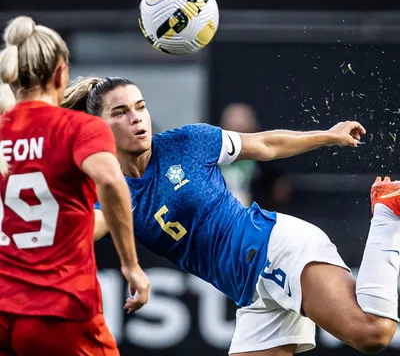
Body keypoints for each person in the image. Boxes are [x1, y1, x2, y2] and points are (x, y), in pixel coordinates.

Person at [64, 76, 399, 355]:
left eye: (140, 107)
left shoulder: (186, 142)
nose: (136, 118)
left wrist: (327, 136)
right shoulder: (110, 189)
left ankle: (387, 211)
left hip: (272, 248)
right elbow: (83, 230)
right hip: (251, 290)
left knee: (372, 332)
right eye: (120, 112)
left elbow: (265, 144)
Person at [0, 18, 149, 356]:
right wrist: (131, 265)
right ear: (60, 74)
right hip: (58, 309)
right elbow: (110, 181)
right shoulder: (78, 127)